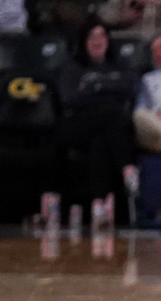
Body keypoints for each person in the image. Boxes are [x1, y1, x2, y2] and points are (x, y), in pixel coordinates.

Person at [57, 22, 137, 213]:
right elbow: (68, 98)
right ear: (84, 41)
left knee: (100, 140)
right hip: (75, 125)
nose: (97, 41)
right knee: (113, 113)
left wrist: (95, 87)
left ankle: (98, 204)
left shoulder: (120, 65)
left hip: (104, 127)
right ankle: (128, 167)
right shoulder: (72, 67)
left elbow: (131, 88)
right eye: (92, 36)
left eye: (101, 36)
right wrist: (108, 89)